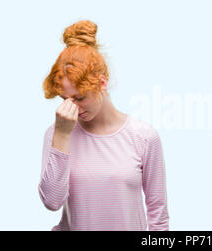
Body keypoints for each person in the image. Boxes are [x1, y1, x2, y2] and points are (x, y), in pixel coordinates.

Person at [38, 20, 169, 231]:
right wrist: (62, 135)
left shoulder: (144, 136)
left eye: (80, 98)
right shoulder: (56, 133)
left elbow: (158, 215)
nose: (72, 108)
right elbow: (52, 202)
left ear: (102, 83)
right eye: (64, 98)